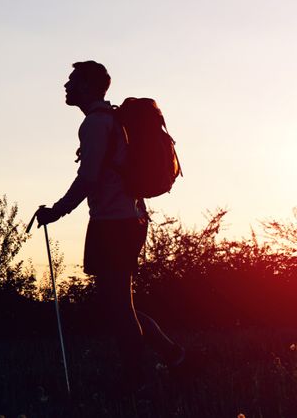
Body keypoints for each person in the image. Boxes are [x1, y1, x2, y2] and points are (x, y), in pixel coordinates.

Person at [31, 61, 184, 392]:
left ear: (89, 87)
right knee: (117, 303)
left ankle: (137, 380)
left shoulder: (96, 124)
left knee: (118, 306)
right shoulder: (109, 120)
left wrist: (57, 211)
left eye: (73, 81)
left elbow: (89, 177)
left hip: (115, 222)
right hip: (124, 218)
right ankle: (175, 360)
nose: (66, 86)